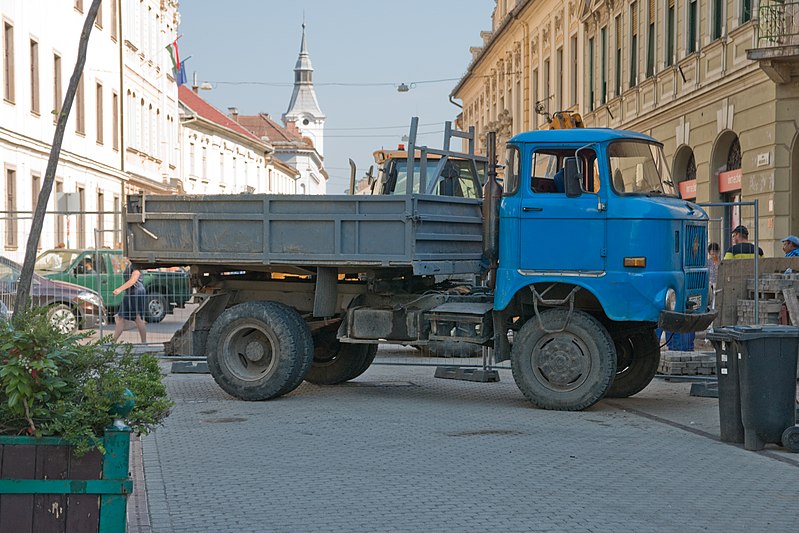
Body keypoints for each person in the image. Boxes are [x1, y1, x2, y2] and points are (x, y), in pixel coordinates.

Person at [112, 260, 147, 343]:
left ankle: (144, 342)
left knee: (137, 317)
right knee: (121, 317)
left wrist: (120, 289)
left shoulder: (136, 265)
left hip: (136, 292)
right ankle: (113, 342)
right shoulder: (129, 264)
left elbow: (133, 280)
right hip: (129, 292)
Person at [707, 242, 720, 309]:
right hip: (711, 286)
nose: (713, 256)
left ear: (718, 252)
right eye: (711, 254)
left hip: (719, 285)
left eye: (715, 253)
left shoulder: (721, 262)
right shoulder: (708, 263)